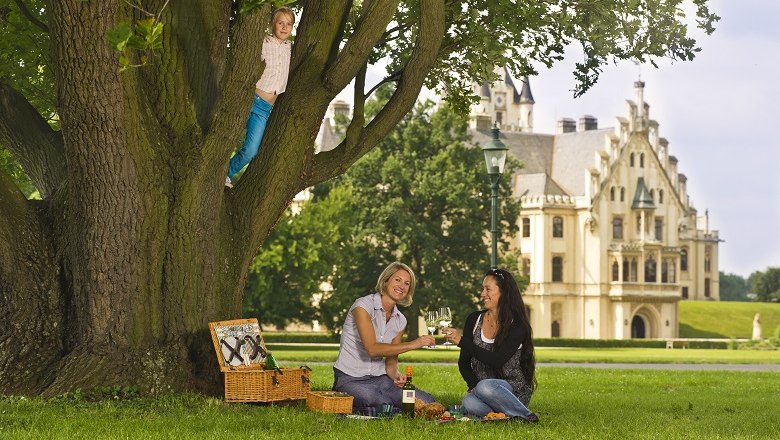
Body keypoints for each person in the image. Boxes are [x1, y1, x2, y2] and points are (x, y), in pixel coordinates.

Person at [333, 262, 437, 410]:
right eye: (397, 280)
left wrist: (396, 376)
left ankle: (388, 408)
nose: (402, 286)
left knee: (427, 401)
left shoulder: (400, 320)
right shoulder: (362, 306)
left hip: (381, 380)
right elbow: (372, 349)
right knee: (379, 401)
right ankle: (385, 407)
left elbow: (391, 363)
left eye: (407, 283)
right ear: (385, 281)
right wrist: (414, 344)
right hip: (350, 379)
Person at [443, 268, 538, 422]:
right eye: (482, 289)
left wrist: (462, 341)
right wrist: (473, 385)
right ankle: (502, 417)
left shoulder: (517, 325)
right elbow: (464, 363)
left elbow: (497, 360)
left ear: (504, 292)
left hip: (512, 391)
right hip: (482, 392)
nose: (482, 294)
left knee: (485, 387)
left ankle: (526, 415)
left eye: (488, 289)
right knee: (468, 402)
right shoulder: (473, 320)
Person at [225, 6, 294, 188]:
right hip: (250, 100)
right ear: (273, 24)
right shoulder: (263, 42)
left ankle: (226, 173)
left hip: (265, 109)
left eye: (289, 24)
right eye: (281, 22)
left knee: (250, 151)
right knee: (226, 137)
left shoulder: (290, 48)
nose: (284, 27)